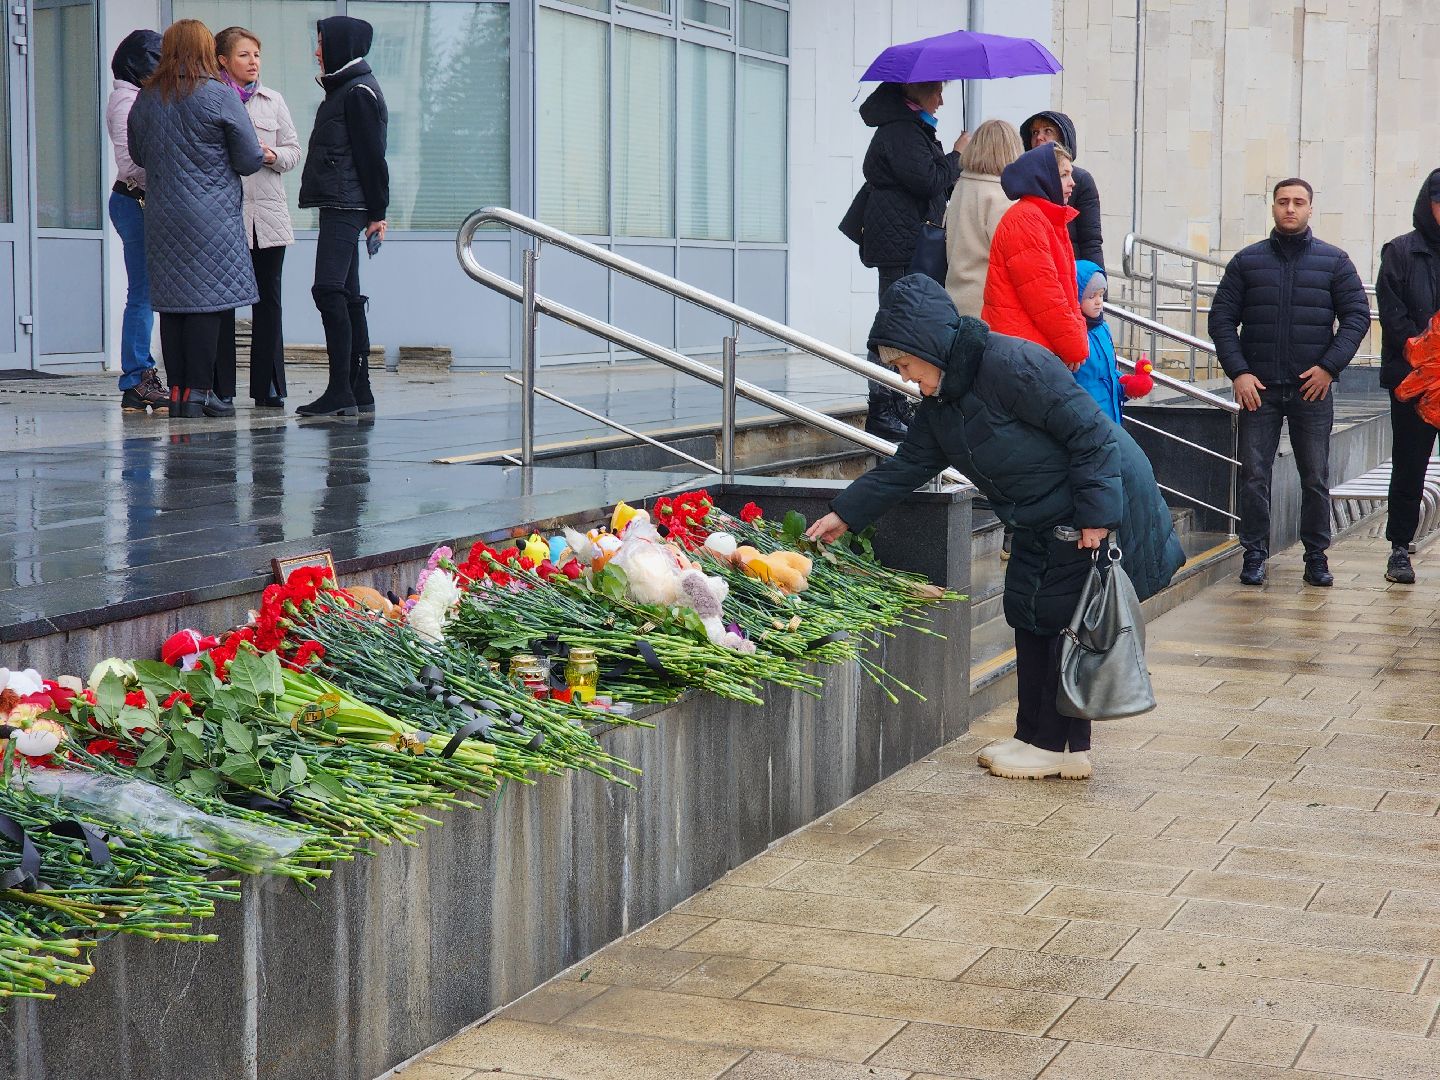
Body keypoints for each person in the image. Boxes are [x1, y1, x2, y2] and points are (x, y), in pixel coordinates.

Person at [806, 274, 1183, 780]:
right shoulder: (943, 403)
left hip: (1081, 510)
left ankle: (1052, 745)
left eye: (904, 365)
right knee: (1028, 612)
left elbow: (1090, 435)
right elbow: (908, 465)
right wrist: (844, 514)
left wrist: (1097, 516)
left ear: (928, 346)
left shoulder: (1012, 365)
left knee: (1051, 618)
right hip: (1036, 517)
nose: (905, 378)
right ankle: (1047, 742)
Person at [1209, 178, 1370, 588]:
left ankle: (1316, 557)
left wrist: (1329, 367)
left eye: (1299, 202)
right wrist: (1239, 372)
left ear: (1310, 208)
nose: (1290, 209)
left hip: (1310, 389)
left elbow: (1357, 317)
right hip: (1258, 390)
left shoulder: (1334, 262)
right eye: (1283, 202)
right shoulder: (1247, 262)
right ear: (1274, 207)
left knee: (1315, 476)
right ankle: (1255, 556)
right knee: (1254, 475)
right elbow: (1222, 320)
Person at [128, 19, 264, 419]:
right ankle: (200, 394)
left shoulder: (147, 98)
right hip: (212, 216)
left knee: (173, 305)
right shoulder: (219, 96)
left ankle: (178, 390)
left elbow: (138, 155)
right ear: (207, 50)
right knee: (207, 302)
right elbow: (249, 157)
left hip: (163, 213)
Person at [851, 80, 963, 440]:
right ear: (917, 91)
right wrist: (958, 154)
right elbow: (929, 180)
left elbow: (938, 184)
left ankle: (896, 403)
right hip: (900, 245)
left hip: (906, 241)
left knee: (902, 321)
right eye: (937, 92)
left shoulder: (913, 128)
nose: (942, 100)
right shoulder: (902, 130)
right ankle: (883, 407)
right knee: (894, 323)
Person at [297, 15, 389, 418]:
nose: (317, 51)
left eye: (320, 42)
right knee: (347, 295)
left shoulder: (357, 92)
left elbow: (373, 157)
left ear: (340, 44)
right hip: (344, 201)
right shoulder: (346, 89)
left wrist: (378, 212)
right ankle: (358, 388)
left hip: (345, 204)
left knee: (328, 290)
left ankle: (340, 390)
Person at [216, 26, 300, 411]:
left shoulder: (273, 100)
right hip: (225, 216)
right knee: (222, 304)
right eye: (244, 55)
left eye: (257, 55)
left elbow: (293, 151)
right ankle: (221, 389)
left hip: (268, 216)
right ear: (223, 61)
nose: (253, 63)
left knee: (269, 302)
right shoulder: (213, 100)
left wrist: (272, 156)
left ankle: (267, 387)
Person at [1375, 170, 1440, 586]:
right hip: (1414, 381)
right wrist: (1425, 349)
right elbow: (1391, 310)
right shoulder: (1400, 251)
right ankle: (1400, 548)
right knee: (1409, 468)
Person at [982, 143, 1089, 371]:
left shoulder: (1046, 218)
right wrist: (1075, 346)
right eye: (1064, 175)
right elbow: (1045, 297)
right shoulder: (1026, 220)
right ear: (1044, 179)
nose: (1072, 182)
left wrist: (1075, 341)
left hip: (1031, 352)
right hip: (1022, 357)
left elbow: (1065, 292)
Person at [106, 30, 168, 414]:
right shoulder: (126, 103)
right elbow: (131, 164)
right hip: (135, 200)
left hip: (140, 201)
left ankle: (140, 377)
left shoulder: (138, 99)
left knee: (146, 293)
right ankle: (137, 379)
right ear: (138, 62)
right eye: (157, 59)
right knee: (143, 294)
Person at [942, 118, 1023, 317]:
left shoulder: (961, 187)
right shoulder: (1001, 196)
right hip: (988, 307)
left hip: (954, 297)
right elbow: (1014, 258)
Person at [1021, 111, 1102, 265]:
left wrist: (1097, 282)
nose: (1039, 137)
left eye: (1048, 131)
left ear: (1063, 139)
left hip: (1072, 274)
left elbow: (1091, 242)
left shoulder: (1081, 180)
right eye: (1035, 132)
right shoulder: (1023, 181)